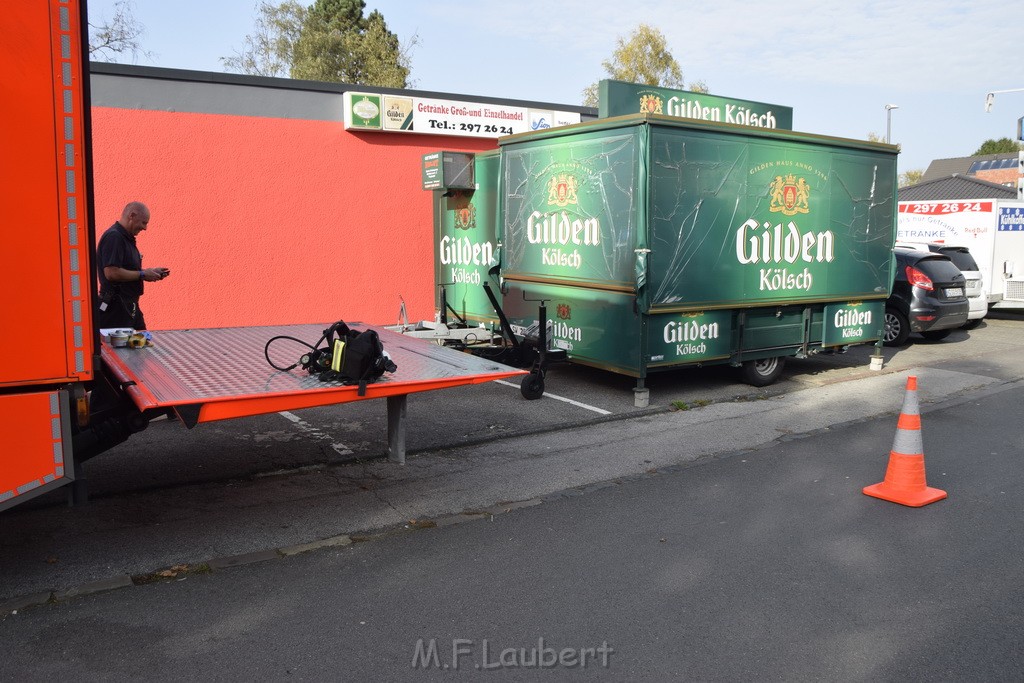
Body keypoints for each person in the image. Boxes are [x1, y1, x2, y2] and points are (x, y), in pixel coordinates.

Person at [96, 201, 170, 331]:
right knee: (127, 349)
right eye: (143, 222)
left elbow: (123, 270)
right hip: (116, 309)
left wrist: (148, 272)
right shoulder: (114, 237)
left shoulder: (125, 238)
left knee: (143, 343)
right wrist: (142, 274)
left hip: (128, 306)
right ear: (132, 215)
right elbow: (111, 273)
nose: (145, 228)